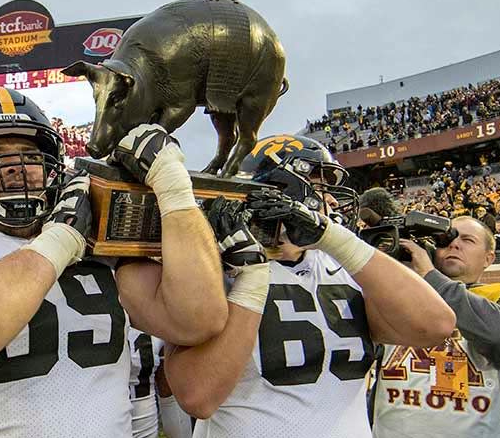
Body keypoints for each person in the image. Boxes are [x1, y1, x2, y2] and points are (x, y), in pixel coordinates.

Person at [0, 87, 227, 437]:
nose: (17, 166)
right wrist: (57, 242)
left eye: (32, 156)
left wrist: (174, 188)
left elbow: (196, 320)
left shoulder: (102, 244)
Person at [163, 135, 456, 437]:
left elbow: (436, 325)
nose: (331, 199)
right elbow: (197, 397)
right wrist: (249, 283)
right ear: (279, 188)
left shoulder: (344, 266)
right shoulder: (217, 268)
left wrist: (333, 239)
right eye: (318, 185)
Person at [371, 216, 500, 438]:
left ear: (489, 258)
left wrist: (431, 278)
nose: (454, 244)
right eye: (445, 239)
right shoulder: (398, 299)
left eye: (468, 240)